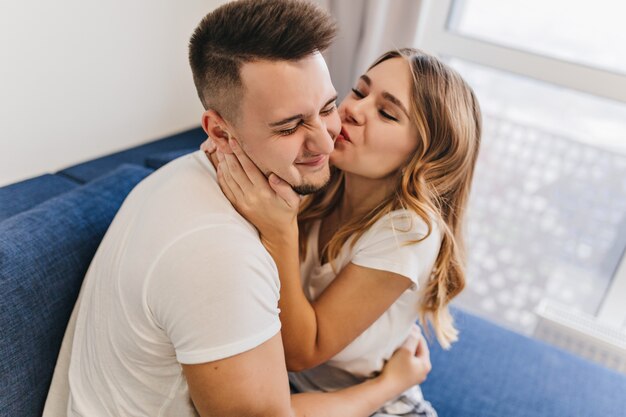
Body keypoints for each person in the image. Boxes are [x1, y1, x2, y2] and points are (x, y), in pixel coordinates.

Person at [60, 1, 432, 416]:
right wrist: (391, 386)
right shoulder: (222, 256)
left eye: (327, 108)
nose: (329, 142)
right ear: (220, 131)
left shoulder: (183, 175)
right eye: (290, 126)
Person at [205, 47, 482, 417]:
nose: (353, 109)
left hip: (382, 407)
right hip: (300, 389)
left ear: (426, 156)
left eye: (386, 112)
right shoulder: (324, 175)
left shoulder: (410, 230)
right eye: (360, 91)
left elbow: (303, 352)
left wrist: (281, 231)